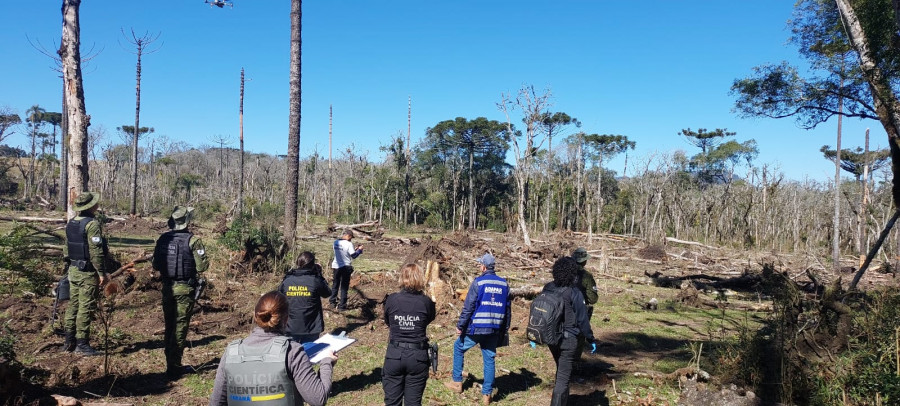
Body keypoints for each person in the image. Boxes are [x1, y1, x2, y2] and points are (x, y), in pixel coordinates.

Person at [210, 291, 337, 406]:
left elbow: (216, 402)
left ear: (255, 316)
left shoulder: (231, 353)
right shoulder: (292, 351)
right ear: (286, 319)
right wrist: (326, 362)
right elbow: (318, 398)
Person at [444, 253, 510, 405]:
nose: (479, 266)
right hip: (494, 328)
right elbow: (508, 309)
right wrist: (504, 329)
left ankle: (457, 382)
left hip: (477, 328)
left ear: (484, 267)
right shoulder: (504, 284)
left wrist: (460, 326)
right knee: (489, 359)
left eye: (480, 264)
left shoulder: (478, 283)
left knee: (458, 347)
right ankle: (487, 395)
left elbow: (469, 307)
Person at [152, 206, 209, 378]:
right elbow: (202, 266)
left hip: (167, 288)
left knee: (169, 325)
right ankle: (174, 366)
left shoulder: (163, 239)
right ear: (187, 222)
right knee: (180, 326)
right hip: (184, 289)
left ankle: (170, 362)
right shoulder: (193, 241)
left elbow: (155, 264)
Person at [540, 256, 597, 406]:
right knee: (563, 376)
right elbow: (582, 320)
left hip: (551, 338)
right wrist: (590, 338)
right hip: (568, 340)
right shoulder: (574, 293)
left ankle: (563, 401)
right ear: (572, 274)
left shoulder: (548, 287)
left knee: (561, 370)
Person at [62, 191, 111, 356]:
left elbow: (66, 249)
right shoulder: (92, 225)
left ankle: (69, 341)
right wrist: (102, 273)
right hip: (87, 272)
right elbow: (96, 251)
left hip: (73, 270)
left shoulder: (71, 223)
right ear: (92, 206)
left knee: (73, 305)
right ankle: (82, 344)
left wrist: (68, 266)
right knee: (85, 307)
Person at [382, 263, 436, 406]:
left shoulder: (392, 299)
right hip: (418, 355)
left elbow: (388, 320)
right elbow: (429, 319)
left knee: (392, 401)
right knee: (413, 402)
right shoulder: (426, 301)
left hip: (395, 353)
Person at [279, 251, 331, 343]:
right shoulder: (315, 280)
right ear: (312, 264)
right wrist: (320, 275)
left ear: (298, 263)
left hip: (290, 326)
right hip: (311, 327)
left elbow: (278, 296)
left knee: (290, 354)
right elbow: (327, 293)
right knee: (310, 355)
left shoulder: (287, 280)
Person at [571, 247, 598, 361]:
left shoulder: (564, 272)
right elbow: (593, 299)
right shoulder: (587, 276)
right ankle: (574, 364)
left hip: (563, 309)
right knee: (579, 338)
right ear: (584, 261)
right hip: (580, 311)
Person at [329, 229, 363, 311]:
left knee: (335, 285)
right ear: (348, 236)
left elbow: (344, 252)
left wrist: (354, 249)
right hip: (345, 267)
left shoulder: (336, 242)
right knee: (344, 287)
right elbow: (354, 256)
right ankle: (342, 306)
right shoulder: (349, 244)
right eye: (351, 237)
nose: (351, 239)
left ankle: (332, 302)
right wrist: (359, 250)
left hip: (336, 266)